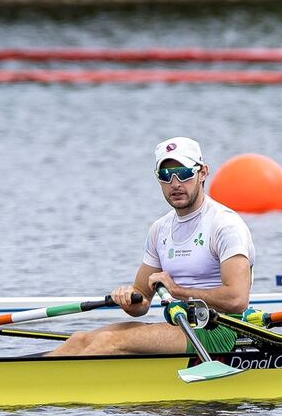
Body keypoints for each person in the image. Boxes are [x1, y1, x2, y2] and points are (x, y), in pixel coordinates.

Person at [48, 137, 255, 356]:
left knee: (108, 342)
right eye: (166, 176)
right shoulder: (160, 229)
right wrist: (128, 297)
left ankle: (58, 387)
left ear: (202, 172)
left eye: (184, 173)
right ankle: (26, 384)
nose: (175, 184)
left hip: (222, 330)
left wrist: (177, 291)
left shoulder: (225, 224)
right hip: (181, 326)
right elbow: (142, 302)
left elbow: (237, 299)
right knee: (80, 339)